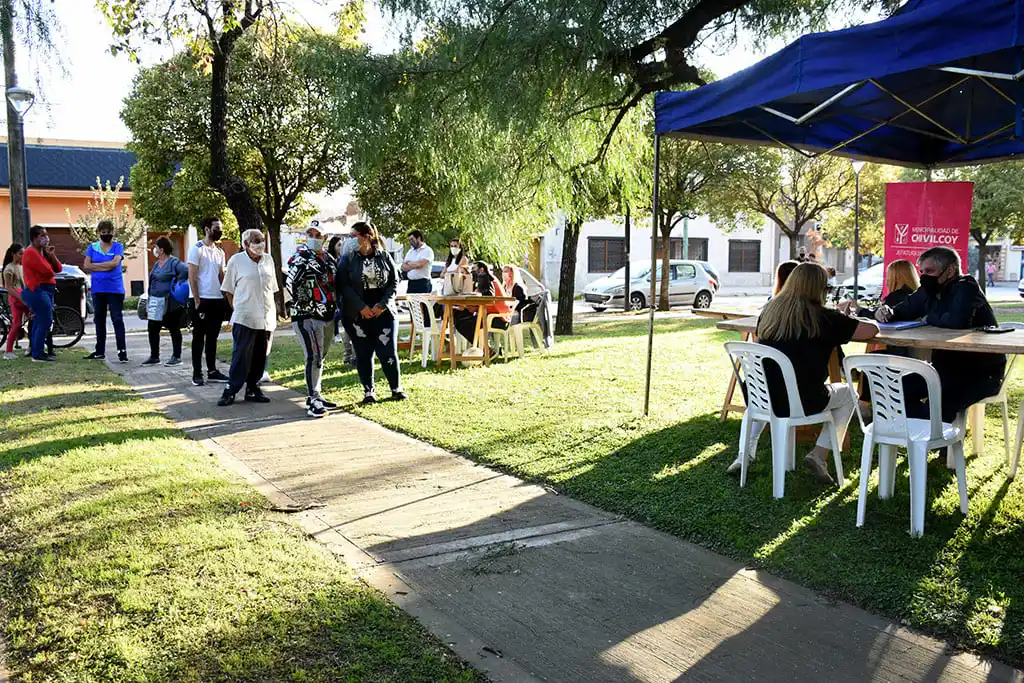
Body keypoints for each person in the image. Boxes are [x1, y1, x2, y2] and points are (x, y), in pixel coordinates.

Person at [728, 262, 879, 482]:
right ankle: (820, 455)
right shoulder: (825, 318)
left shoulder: (769, 312)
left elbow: (759, 348)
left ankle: (745, 454)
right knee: (848, 394)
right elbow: (871, 330)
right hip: (803, 400)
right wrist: (853, 316)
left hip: (758, 397)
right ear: (819, 288)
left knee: (768, 386)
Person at [878, 246, 1005, 422]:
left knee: (940, 403)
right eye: (921, 271)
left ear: (950, 270)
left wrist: (928, 318)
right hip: (945, 370)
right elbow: (902, 310)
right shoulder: (928, 290)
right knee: (899, 389)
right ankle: (923, 437)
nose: (924, 276)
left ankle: (937, 441)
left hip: (981, 373)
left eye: (930, 271)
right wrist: (885, 311)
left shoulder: (966, 286)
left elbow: (955, 320)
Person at [336, 221, 405, 403]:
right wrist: (361, 307)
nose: (351, 240)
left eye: (354, 236)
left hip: (383, 311)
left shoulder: (384, 256)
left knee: (387, 351)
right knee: (363, 353)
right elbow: (343, 285)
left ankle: (396, 388)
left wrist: (382, 305)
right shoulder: (347, 258)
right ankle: (369, 391)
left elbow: (394, 282)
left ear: (367, 236)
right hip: (357, 313)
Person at [218, 229, 279, 407]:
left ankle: (253, 388)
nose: (259, 244)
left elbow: (272, 288)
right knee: (241, 355)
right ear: (245, 244)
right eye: (255, 241)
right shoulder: (237, 261)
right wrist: (236, 307)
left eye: (261, 240)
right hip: (245, 316)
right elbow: (227, 289)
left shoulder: (268, 259)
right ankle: (230, 390)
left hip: (266, 316)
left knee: (261, 355)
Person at [286, 221, 338, 418]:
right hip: (306, 316)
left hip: (327, 315)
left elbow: (335, 284)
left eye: (318, 235)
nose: (314, 238)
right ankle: (313, 398)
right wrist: (307, 305)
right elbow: (291, 284)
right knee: (313, 356)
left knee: (320, 358)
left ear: (324, 238)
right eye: (311, 234)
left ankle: (317, 393)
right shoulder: (299, 257)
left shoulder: (329, 259)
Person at [187, 216, 230, 386]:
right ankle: (197, 373)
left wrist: (226, 297)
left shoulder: (220, 252)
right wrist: (197, 299)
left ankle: (212, 370)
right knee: (199, 337)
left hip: (216, 299)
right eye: (216, 228)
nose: (219, 231)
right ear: (207, 229)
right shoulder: (196, 249)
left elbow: (221, 276)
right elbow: (192, 276)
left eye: (220, 227)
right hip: (201, 299)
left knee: (213, 337)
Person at [82, 219, 128, 363]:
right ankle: (99, 351)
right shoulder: (92, 247)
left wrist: (97, 265)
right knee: (99, 320)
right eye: (103, 232)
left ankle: (122, 351)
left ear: (113, 232)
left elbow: (115, 263)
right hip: (98, 289)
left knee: (117, 319)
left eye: (108, 232)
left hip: (115, 289)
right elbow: (86, 265)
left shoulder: (118, 246)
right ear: (99, 233)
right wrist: (106, 266)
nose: (106, 234)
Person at [143, 237, 189, 366]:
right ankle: (154, 356)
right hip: (156, 301)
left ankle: (176, 356)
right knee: (152, 328)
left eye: (156, 247)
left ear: (161, 250)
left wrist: (177, 284)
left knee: (173, 328)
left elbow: (186, 270)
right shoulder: (158, 263)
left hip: (170, 303)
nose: (155, 250)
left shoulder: (174, 263)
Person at [20, 226, 61, 362]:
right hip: (37, 289)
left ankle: (37, 352)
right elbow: (47, 271)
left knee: (40, 321)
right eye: (42, 236)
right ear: (34, 238)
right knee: (45, 320)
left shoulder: (43, 252)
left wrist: (51, 255)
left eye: (46, 235)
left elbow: (58, 268)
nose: (46, 239)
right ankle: (37, 353)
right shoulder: (31, 253)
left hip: (47, 289)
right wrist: (48, 259)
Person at [327, 232, 357, 363]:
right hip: (345, 301)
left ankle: (351, 356)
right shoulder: (339, 262)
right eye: (338, 245)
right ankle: (350, 356)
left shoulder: (344, 261)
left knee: (351, 329)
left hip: (348, 301)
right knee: (351, 329)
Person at [2, 244, 27, 360]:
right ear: (13, 254)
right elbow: (9, 288)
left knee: (33, 319)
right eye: (20, 253)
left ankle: (33, 346)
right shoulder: (9, 269)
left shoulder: (20, 266)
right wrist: (21, 299)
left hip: (23, 296)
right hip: (16, 298)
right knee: (16, 324)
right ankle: (8, 351)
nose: (22, 256)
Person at [402, 229, 434, 294]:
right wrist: (414, 265)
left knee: (422, 303)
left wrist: (409, 263)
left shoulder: (427, 250)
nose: (410, 242)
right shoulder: (410, 251)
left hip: (423, 283)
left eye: (412, 239)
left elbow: (419, 264)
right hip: (411, 284)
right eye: (409, 240)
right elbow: (403, 267)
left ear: (418, 238)